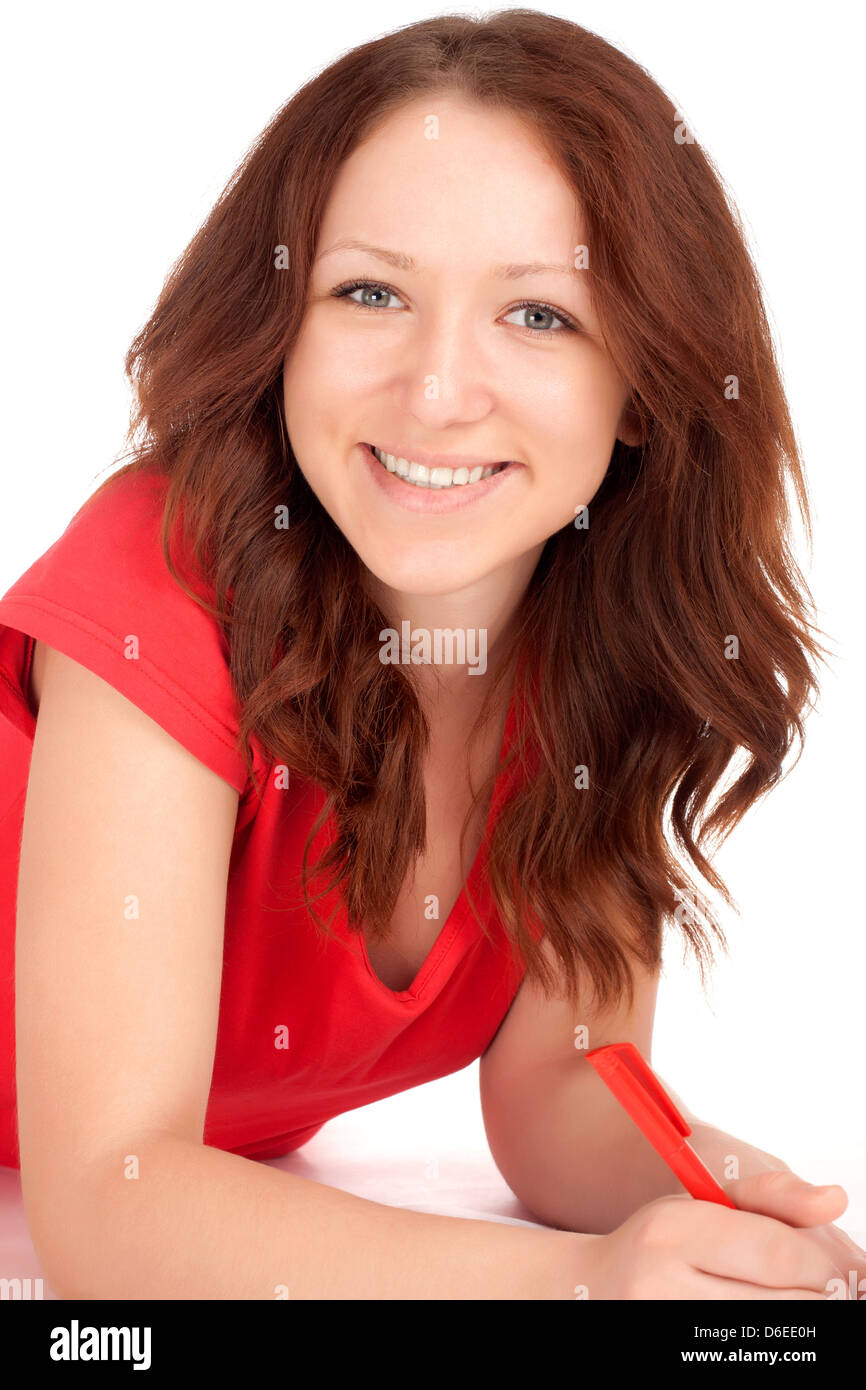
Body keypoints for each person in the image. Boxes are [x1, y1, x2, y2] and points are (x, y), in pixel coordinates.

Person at [2, 10, 862, 1299]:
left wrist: (718, 1198)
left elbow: (561, 1085)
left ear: (643, 386)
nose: (438, 391)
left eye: (538, 313)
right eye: (371, 293)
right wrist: (579, 1287)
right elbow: (107, 1198)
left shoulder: (604, 653)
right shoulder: (159, 576)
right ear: (278, 324)